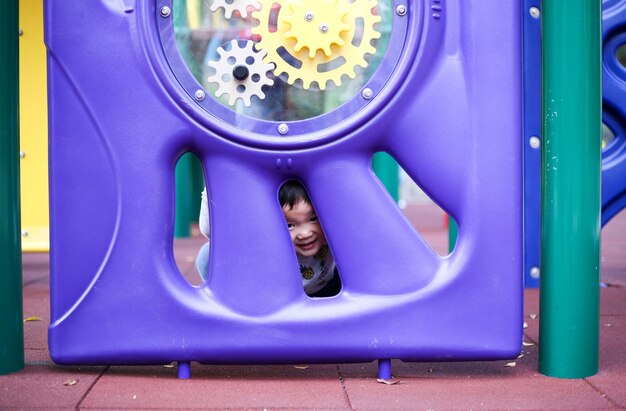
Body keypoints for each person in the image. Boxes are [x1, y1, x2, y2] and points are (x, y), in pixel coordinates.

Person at [195, 181, 341, 297]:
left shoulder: (335, 235)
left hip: (326, 289)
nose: (305, 233)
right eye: (290, 225)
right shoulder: (266, 241)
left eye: (313, 219)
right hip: (271, 299)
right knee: (207, 254)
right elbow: (211, 230)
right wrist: (216, 182)